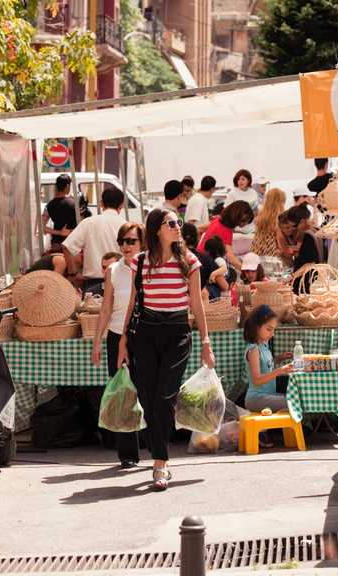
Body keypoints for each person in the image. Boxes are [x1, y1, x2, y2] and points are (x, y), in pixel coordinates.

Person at [117, 209, 215, 491]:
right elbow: (133, 303)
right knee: (147, 398)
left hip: (176, 333)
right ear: (157, 229)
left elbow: (197, 305)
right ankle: (160, 457)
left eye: (178, 223)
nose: (177, 227)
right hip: (145, 333)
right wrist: (124, 340)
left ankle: (160, 462)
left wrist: (206, 344)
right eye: (171, 223)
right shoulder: (140, 261)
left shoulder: (189, 261)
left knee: (163, 398)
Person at [91, 222, 145, 468]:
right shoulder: (113, 270)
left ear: (142, 243)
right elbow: (106, 308)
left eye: (131, 241)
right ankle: (128, 455)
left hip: (143, 335)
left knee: (147, 390)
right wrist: (97, 342)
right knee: (123, 393)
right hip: (115, 335)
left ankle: (155, 446)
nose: (126, 246)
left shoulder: (150, 267)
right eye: (122, 241)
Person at [63, 186, 125, 294]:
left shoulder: (88, 223)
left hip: (93, 284)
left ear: (101, 203)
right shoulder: (126, 226)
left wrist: (73, 273)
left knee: (91, 311)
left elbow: (66, 246)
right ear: (121, 205)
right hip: (120, 283)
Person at [244, 305, 293, 414]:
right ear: (256, 327)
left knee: (293, 398)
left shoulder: (264, 345)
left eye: (273, 329)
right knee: (293, 403)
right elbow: (257, 379)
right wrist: (280, 370)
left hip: (268, 395)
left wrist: (280, 358)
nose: (272, 334)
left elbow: (266, 365)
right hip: (256, 399)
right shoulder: (254, 350)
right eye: (269, 329)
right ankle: (304, 429)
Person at [197, 201, 254, 271]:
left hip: (200, 258)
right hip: (206, 265)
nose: (246, 224)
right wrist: (247, 272)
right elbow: (231, 258)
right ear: (236, 216)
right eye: (244, 221)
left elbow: (199, 229)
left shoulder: (217, 220)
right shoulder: (226, 230)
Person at [43, 174, 77, 248]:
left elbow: (42, 227)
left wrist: (60, 232)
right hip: (72, 244)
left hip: (56, 244)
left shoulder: (49, 205)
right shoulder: (74, 204)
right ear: (67, 187)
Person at [251, 188, 286, 258]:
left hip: (258, 248)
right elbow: (280, 238)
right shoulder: (281, 217)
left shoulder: (260, 215)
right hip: (272, 250)